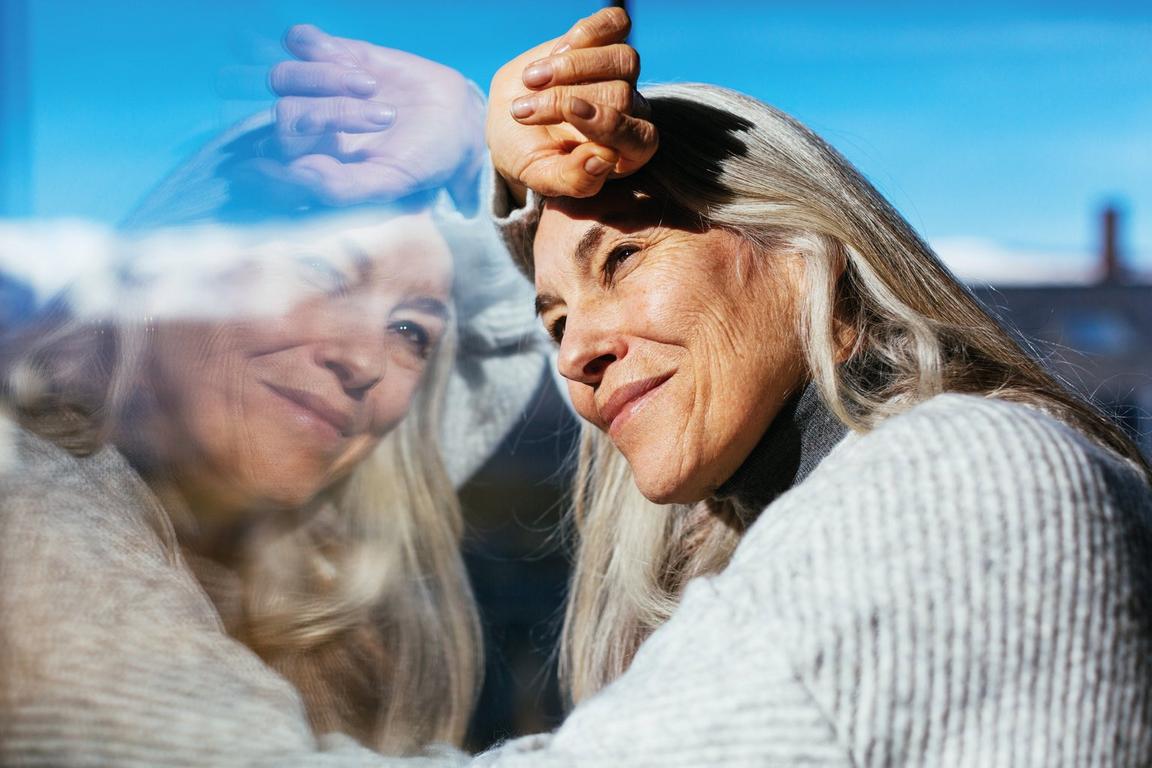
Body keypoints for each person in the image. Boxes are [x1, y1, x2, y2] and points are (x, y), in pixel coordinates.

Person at [265, 7, 1152, 765]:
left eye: (622, 257)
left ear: (807, 255)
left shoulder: (966, 477)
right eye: (555, 321)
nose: (576, 353)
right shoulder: (767, 558)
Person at [0, 37, 554, 764]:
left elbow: (506, 337)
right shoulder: (33, 503)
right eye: (322, 271)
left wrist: (471, 166)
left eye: (410, 330)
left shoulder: (299, 527)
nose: (363, 361)